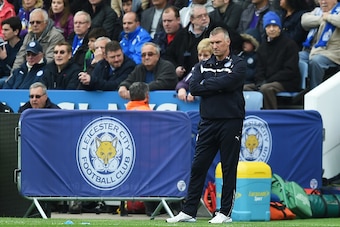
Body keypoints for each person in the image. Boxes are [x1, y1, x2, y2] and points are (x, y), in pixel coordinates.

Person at [166, 27, 246, 224]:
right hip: (208, 122)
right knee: (198, 166)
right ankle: (189, 211)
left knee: (228, 167)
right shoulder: (202, 65)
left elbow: (232, 82)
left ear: (227, 42)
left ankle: (225, 212)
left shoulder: (239, 63)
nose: (215, 46)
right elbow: (194, 87)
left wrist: (209, 86)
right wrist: (219, 85)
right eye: (212, 43)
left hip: (230, 121)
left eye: (218, 42)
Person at [244, 11, 300, 109]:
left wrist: (267, 81)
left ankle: (271, 116)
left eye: (274, 26)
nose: (271, 29)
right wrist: (260, 82)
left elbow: (290, 71)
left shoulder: (290, 45)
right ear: (265, 29)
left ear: (279, 28)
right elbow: (259, 69)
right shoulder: (262, 47)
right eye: (268, 26)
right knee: (245, 88)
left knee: (267, 88)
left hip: (287, 82)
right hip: (266, 81)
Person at [299, 0, 340, 89]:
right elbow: (304, 20)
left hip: (331, 53)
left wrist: (329, 17)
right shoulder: (317, 11)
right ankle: (300, 90)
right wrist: (323, 18)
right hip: (311, 50)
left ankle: (314, 91)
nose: (323, 2)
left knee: (316, 61)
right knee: (296, 57)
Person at [176, 38, 212, 102]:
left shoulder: (219, 70)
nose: (201, 58)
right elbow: (184, 82)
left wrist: (196, 91)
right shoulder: (196, 68)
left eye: (206, 55)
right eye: (199, 55)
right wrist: (181, 89)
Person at [0, 16, 23, 87]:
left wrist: (5, 59)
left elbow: (16, 70)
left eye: (6, 30)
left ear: (16, 31)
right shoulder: (3, 47)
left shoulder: (23, 47)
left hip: (16, 79)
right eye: (2, 30)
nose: (3, 32)